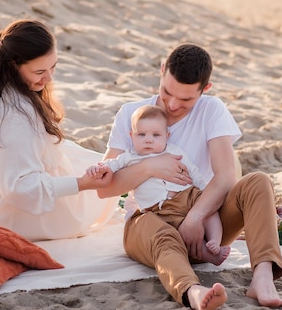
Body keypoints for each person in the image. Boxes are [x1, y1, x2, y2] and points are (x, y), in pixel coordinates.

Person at [98, 43, 282, 310]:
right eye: (167, 92)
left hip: (206, 228)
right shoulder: (132, 114)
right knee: (162, 235)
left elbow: (225, 178)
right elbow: (106, 189)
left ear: (205, 89)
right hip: (149, 224)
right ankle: (193, 293)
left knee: (258, 181)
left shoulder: (212, 110)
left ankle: (262, 277)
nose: (173, 105)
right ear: (162, 71)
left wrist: (196, 217)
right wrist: (151, 166)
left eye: (186, 100)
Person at [0, 19, 117, 241]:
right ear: (12, 65)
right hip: (9, 215)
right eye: (39, 71)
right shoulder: (13, 118)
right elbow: (20, 189)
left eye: (53, 66)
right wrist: (82, 184)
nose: (49, 78)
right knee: (103, 192)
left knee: (92, 161)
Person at [86, 104, 230, 265]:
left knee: (208, 209)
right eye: (141, 134)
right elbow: (110, 165)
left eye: (156, 135)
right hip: (161, 209)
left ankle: (215, 240)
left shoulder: (175, 152)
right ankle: (208, 255)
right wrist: (97, 167)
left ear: (166, 135)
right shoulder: (129, 158)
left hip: (187, 196)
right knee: (176, 233)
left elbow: (195, 173)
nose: (148, 139)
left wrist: (204, 193)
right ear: (131, 136)